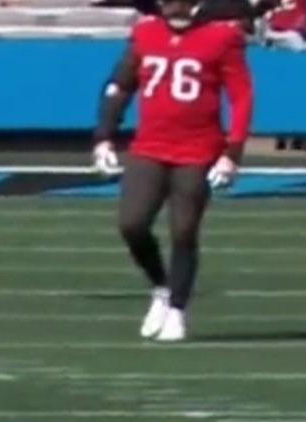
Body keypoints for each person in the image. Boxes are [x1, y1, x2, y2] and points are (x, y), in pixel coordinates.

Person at [93, 0, 254, 343]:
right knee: (131, 223)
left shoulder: (221, 36)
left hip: (197, 149)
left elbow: (241, 97)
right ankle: (162, 287)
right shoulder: (146, 32)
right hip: (149, 146)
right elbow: (120, 85)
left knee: (183, 231)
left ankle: (178, 309)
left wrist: (232, 153)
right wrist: (104, 137)